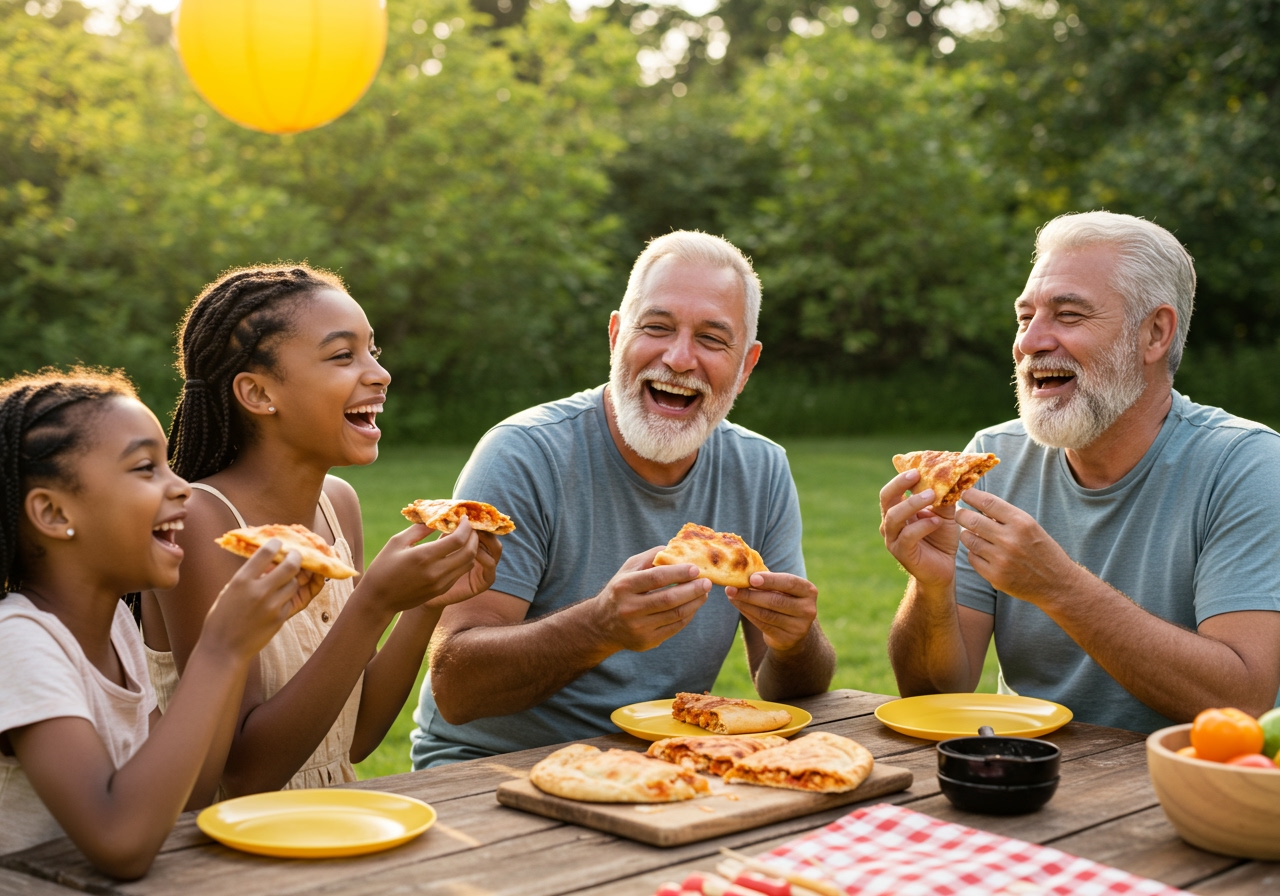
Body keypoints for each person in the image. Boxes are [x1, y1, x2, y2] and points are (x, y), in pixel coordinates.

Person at [412, 231, 836, 768]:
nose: (680, 359)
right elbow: (455, 688)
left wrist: (796, 640)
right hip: (490, 769)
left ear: (746, 365)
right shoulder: (523, 454)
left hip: (660, 767)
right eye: (656, 328)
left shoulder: (761, 468)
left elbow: (791, 690)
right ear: (616, 336)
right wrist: (598, 627)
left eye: (712, 339)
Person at [880, 211, 1280, 733]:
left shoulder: (1246, 465)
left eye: (1068, 315)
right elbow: (934, 694)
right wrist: (929, 587)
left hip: (1185, 783)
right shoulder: (994, 457)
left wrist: (1060, 588)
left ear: (1155, 333)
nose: (1030, 342)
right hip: (1030, 773)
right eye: (1025, 318)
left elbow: (1241, 704)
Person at [139, 264, 501, 797]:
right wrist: (373, 603)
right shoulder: (200, 524)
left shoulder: (338, 505)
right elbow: (240, 774)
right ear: (258, 393)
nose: (380, 374)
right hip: (220, 845)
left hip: (326, 822)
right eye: (342, 355)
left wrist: (425, 605)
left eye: (373, 351)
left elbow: (350, 737)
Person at [0, 368, 317, 875]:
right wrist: (219, 649)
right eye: (146, 468)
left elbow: (187, 795)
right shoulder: (19, 642)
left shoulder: (115, 630)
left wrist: (238, 649)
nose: (182, 488)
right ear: (53, 513)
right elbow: (121, 842)